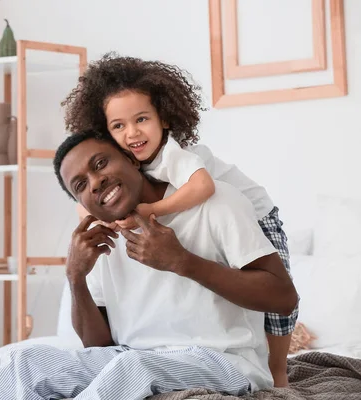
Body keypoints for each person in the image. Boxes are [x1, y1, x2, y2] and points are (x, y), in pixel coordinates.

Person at [0, 132, 298, 400]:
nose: (94, 182)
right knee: (25, 363)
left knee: (131, 367)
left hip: (226, 361)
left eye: (100, 163)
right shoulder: (101, 241)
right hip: (129, 357)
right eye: (81, 186)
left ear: (130, 159)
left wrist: (182, 261)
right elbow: (99, 349)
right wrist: (75, 276)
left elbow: (284, 298)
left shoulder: (216, 202)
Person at [61, 53, 298, 386]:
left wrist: (153, 215)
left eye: (142, 119)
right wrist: (88, 239)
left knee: (277, 319)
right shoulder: (123, 181)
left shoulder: (182, 160)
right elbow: (86, 203)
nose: (132, 133)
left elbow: (202, 187)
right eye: (118, 126)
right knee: (26, 362)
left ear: (165, 119)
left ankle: (278, 372)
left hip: (259, 214)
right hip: (145, 359)